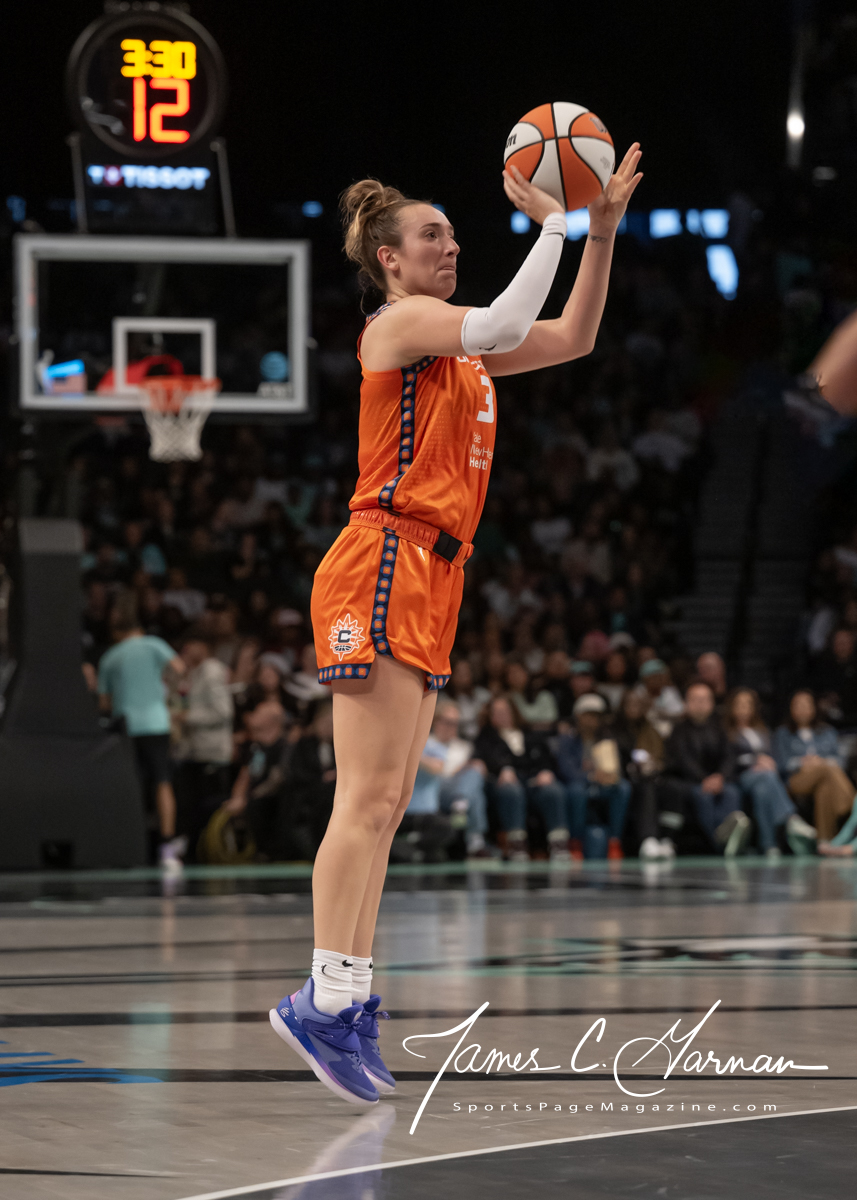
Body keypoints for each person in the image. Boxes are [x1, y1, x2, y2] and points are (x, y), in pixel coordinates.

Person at [269, 149, 643, 1106]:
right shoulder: (397, 325)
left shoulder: (461, 351)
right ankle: (323, 997)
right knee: (364, 798)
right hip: (382, 554)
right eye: (430, 235)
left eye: (450, 233)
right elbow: (509, 319)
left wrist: (598, 235)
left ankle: (342, 995)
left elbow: (570, 337)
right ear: (387, 260)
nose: (451, 245)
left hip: (435, 572)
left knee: (391, 802)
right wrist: (553, 222)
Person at [97, 616, 186, 872]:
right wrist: (166, 693)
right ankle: (167, 848)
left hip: (126, 727)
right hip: (156, 723)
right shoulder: (154, 644)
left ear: (116, 633)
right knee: (162, 781)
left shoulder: (109, 657)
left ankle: (130, 847)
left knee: (131, 786)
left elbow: (104, 703)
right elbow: (179, 669)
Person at [723, 688, 817, 858]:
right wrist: (755, 761)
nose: (743, 709)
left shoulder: (762, 730)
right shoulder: (727, 732)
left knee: (762, 790)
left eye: (747, 704)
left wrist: (769, 762)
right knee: (768, 777)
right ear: (732, 707)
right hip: (741, 776)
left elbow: (772, 755)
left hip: (763, 778)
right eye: (739, 704)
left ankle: (769, 845)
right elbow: (729, 759)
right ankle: (791, 819)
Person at [473, 695, 566, 861]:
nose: (502, 716)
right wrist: (503, 769)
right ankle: (516, 844)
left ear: (514, 712)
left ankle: (558, 843)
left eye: (505, 711)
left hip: (532, 780)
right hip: (502, 783)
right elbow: (484, 759)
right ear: (491, 716)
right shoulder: (486, 737)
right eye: (497, 712)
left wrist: (545, 771)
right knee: (512, 791)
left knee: (553, 790)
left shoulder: (530, 733)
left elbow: (546, 758)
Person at [664, 681, 749, 856]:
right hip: (692, 782)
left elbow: (729, 756)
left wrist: (721, 777)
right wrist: (704, 779)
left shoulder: (721, 727)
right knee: (704, 797)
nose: (700, 704)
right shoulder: (679, 730)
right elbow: (684, 760)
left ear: (711, 703)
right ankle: (721, 844)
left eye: (704, 700)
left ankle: (729, 839)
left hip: (721, 780)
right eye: (696, 699)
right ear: (686, 703)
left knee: (732, 793)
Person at [172, 637, 235, 860]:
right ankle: (193, 854)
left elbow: (223, 711)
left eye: (190, 645)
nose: (186, 650)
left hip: (213, 752)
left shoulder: (211, 671)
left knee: (209, 810)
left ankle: (212, 854)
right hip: (196, 753)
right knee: (192, 809)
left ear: (203, 646)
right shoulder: (194, 672)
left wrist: (187, 717)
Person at [555, 693, 631, 860]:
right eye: (587, 715)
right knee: (577, 792)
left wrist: (609, 776)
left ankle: (614, 841)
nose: (591, 720)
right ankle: (576, 842)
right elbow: (566, 771)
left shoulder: (607, 739)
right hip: (579, 784)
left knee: (623, 788)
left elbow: (616, 767)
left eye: (595, 716)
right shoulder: (568, 739)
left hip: (603, 784)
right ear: (578, 716)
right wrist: (590, 776)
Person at [772, 690, 855, 841]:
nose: (802, 709)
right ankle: (851, 803)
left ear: (813, 708)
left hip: (826, 777)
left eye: (806, 705)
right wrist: (802, 762)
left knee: (824, 787)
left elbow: (841, 761)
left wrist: (820, 762)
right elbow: (781, 763)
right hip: (796, 779)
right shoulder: (782, 733)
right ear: (791, 709)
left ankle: (824, 841)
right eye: (798, 705)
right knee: (827, 769)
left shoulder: (828, 731)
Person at [412, 700, 490, 858]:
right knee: (472, 790)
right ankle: (476, 838)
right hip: (435, 788)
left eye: (454, 723)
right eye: (447, 722)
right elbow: (439, 771)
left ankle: (461, 803)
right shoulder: (425, 742)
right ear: (436, 721)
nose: (450, 727)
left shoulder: (464, 747)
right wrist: (461, 769)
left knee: (476, 775)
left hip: (456, 788)